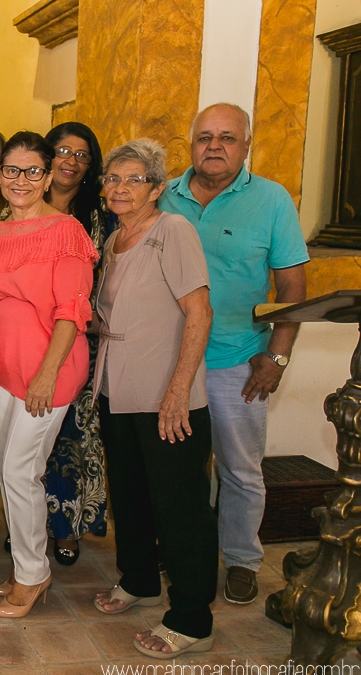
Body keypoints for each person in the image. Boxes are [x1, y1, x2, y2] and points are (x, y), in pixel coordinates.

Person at [158, 103, 308, 605]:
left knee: (239, 468)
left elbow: (291, 284)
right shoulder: (163, 196)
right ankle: (181, 550)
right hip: (169, 360)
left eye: (227, 137)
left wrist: (277, 355)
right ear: (191, 143)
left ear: (247, 145)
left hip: (236, 360)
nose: (214, 146)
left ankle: (241, 558)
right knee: (177, 467)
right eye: (204, 137)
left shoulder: (271, 200)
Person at [92, 138, 217, 659]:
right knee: (131, 495)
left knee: (180, 506)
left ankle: (191, 616)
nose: (120, 188)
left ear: (158, 188)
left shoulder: (174, 231)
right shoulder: (113, 239)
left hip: (167, 396)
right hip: (116, 390)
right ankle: (139, 579)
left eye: (134, 179)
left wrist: (178, 392)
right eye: (113, 179)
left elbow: (199, 312)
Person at [0, 131, 97, 618]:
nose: (20, 180)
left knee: (23, 470)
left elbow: (71, 311)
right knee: (7, 470)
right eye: (11, 170)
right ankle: (27, 563)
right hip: (1, 369)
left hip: (50, 371)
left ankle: (32, 575)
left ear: (47, 176)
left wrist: (47, 375)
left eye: (32, 171)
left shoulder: (66, 231)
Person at [40, 122, 111, 566]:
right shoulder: (19, 205)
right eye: (62, 150)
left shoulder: (103, 216)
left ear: (91, 165)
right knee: (26, 443)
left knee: (71, 441)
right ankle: (26, 524)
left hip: (80, 339)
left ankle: (66, 527)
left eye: (81, 154)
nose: (70, 160)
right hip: (27, 339)